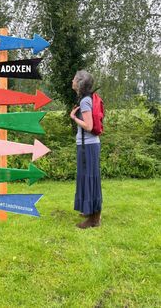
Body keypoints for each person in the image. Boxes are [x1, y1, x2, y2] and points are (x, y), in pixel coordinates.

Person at [70, 70, 102, 229]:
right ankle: (90, 211)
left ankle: (94, 218)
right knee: (87, 177)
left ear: (80, 83)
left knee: (90, 178)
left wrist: (74, 118)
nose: (72, 80)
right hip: (88, 145)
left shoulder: (84, 102)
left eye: (75, 79)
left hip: (88, 145)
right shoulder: (86, 99)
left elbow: (89, 126)